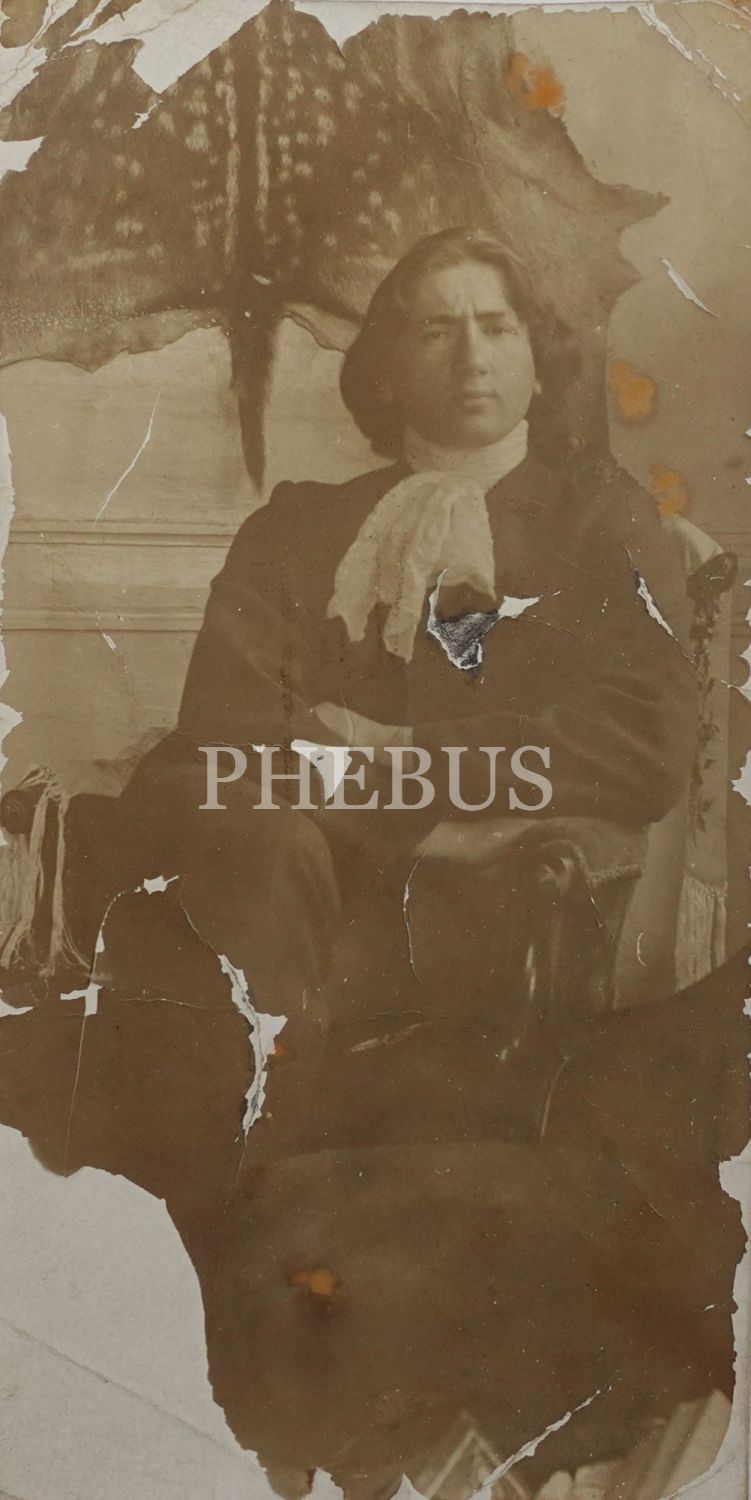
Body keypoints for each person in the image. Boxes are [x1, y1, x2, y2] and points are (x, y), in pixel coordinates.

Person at [119, 226, 698, 1152]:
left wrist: (392, 751)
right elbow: (224, 729)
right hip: (291, 882)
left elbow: (646, 740)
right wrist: (434, 824)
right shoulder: (296, 527)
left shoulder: (604, 525)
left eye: (496, 327)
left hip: (481, 910)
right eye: (434, 330)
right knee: (222, 812)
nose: (471, 356)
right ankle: (255, 1144)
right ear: (385, 372)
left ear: (538, 364)